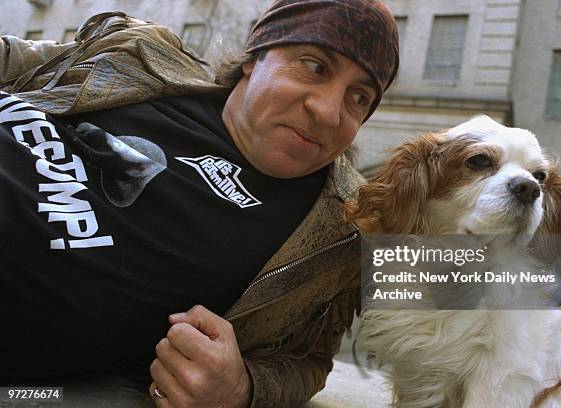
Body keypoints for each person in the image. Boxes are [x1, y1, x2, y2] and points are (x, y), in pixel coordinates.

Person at [0, 0, 399, 406]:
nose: (328, 112)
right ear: (254, 59)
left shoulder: (346, 226)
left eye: (360, 98)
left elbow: (461, 280)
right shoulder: (138, 57)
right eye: (315, 67)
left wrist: (243, 389)